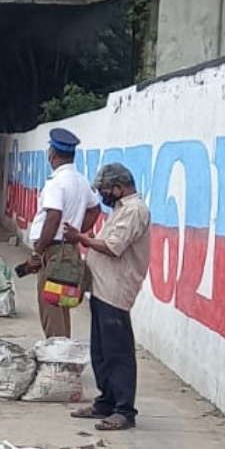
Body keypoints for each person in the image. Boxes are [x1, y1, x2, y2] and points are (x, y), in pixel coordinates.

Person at [62, 163, 151, 431]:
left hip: (116, 290)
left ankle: (124, 410)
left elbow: (113, 248)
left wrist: (82, 239)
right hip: (102, 288)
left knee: (118, 352)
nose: (103, 195)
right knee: (101, 351)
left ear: (119, 187)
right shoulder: (121, 210)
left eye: (105, 190)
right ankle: (106, 402)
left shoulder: (135, 210)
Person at [25, 127, 102, 338]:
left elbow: (53, 217)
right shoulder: (81, 181)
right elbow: (96, 209)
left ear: (53, 154)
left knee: (51, 307)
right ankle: (63, 352)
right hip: (68, 249)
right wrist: (78, 230)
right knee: (61, 303)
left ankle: (56, 359)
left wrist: (37, 252)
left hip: (53, 251)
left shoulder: (56, 183)